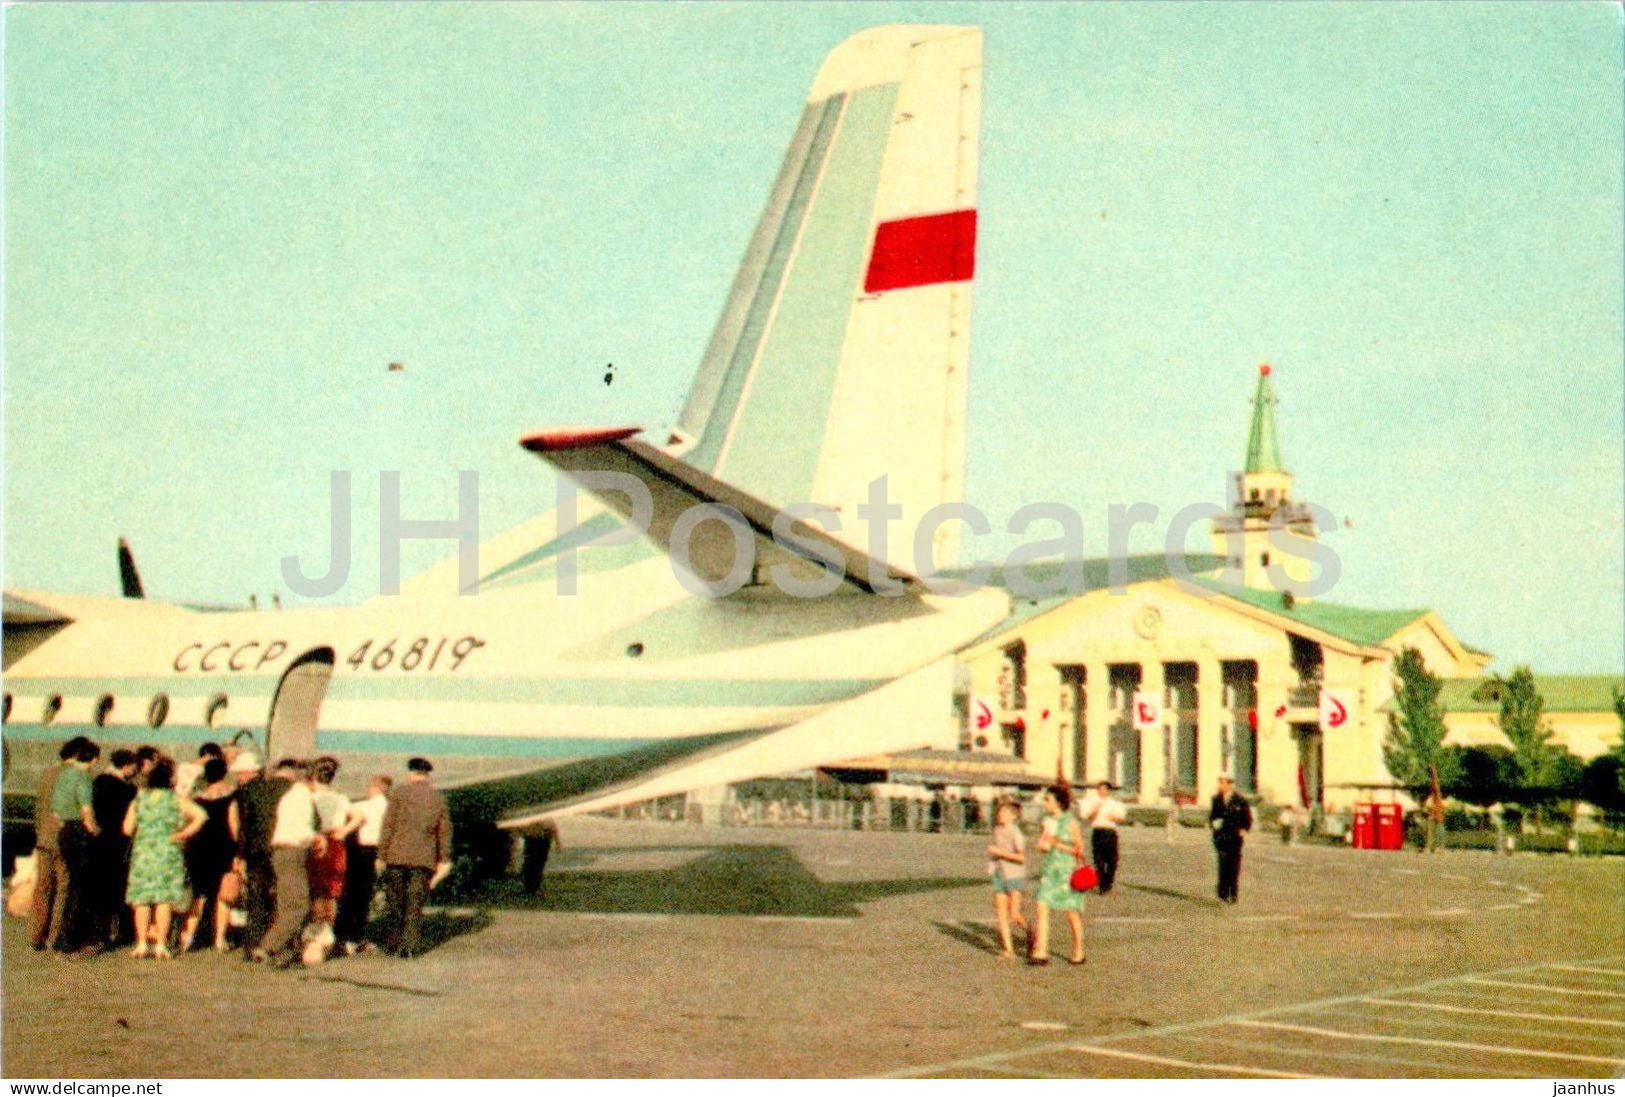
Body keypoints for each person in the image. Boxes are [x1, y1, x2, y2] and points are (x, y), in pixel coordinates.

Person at [123, 758, 206, 958]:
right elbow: (201, 816)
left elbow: (126, 829)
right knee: (164, 900)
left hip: (143, 853)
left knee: (142, 900)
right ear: (171, 779)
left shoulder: (140, 799)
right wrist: (183, 833)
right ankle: (161, 944)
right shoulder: (177, 800)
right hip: (169, 852)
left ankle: (141, 943)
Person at [376, 757, 452, 959]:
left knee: (395, 902)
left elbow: (388, 826)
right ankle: (408, 947)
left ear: (411, 773)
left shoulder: (399, 793)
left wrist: (381, 854)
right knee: (414, 903)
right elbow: (444, 832)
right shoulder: (438, 798)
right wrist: (444, 858)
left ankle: (392, 942)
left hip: (397, 855)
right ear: (427, 775)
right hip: (423, 858)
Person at [254, 759, 322, 967]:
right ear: (313, 780)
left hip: (281, 852)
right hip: (293, 852)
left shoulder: (289, 797)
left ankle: (280, 948)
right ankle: (269, 947)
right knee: (298, 906)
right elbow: (301, 828)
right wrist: (318, 838)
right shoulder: (303, 798)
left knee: (286, 904)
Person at [29, 737, 88, 951]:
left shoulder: (47, 775)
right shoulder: (76, 777)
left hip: (44, 838)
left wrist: (39, 835)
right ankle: (55, 937)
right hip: (64, 839)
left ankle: (37, 935)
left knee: (43, 887)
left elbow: (38, 809)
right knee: (63, 888)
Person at [179, 757, 239, 952]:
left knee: (199, 894)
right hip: (223, 848)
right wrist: (239, 851)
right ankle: (220, 938)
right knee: (223, 895)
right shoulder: (231, 797)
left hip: (199, 848)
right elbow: (234, 827)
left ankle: (187, 937)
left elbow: (189, 823)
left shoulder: (197, 798)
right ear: (224, 773)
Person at [52, 738, 104, 955]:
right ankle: (71, 939)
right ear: (91, 758)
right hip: (80, 833)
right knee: (82, 888)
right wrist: (94, 830)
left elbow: (54, 813)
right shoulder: (83, 778)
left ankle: (62, 937)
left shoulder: (63, 775)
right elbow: (86, 810)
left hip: (64, 831)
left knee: (72, 883)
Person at [232, 752, 286, 955]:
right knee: (274, 895)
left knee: (257, 896)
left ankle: (253, 942)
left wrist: (240, 855)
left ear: (248, 772)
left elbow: (244, 827)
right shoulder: (274, 789)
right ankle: (272, 940)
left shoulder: (245, 792)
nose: (237, 777)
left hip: (255, 851)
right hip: (275, 848)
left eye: (239, 773)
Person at [1029, 784, 1086, 966]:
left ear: (1058, 802)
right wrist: (1043, 843)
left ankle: (1078, 950)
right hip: (1050, 869)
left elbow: (1079, 849)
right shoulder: (1046, 821)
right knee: (1041, 905)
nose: (1044, 803)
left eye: (1048, 799)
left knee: (1071, 912)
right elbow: (1043, 846)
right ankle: (1041, 950)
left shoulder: (1070, 822)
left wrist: (1056, 843)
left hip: (1067, 871)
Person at [335, 774, 391, 955]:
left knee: (349, 894)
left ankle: (343, 935)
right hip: (376, 853)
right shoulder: (390, 808)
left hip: (358, 851)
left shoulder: (364, 805)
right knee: (364, 897)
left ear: (375, 787)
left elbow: (350, 815)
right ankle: (356, 936)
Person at [90, 749, 140, 947]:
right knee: (114, 888)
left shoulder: (98, 781)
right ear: (126, 765)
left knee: (100, 887)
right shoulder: (124, 789)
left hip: (99, 840)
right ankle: (111, 932)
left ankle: (98, 931)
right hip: (117, 842)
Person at [303, 756, 351, 962]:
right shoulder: (341, 798)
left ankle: (313, 934)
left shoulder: (310, 798)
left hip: (316, 842)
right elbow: (358, 816)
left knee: (315, 891)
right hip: (336, 844)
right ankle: (326, 933)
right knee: (332, 891)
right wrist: (344, 831)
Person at [986, 798, 1029, 959]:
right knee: (1000, 913)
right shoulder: (997, 830)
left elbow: (1021, 858)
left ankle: (1032, 933)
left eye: (1004, 812)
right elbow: (994, 851)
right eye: (999, 811)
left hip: (1014, 875)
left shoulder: (1016, 832)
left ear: (1013, 816)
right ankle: (1008, 950)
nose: (1000, 814)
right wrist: (991, 866)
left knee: (1014, 914)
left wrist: (999, 853)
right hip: (999, 874)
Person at [1210, 774, 1253, 904]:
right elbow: (1212, 816)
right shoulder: (1216, 799)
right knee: (1223, 864)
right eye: (1219, 783)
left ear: (1229, 785)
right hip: (1221, 837)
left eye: (1222, 783)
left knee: (1234, 866)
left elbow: (1247, 818)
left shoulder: (1240, 800)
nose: (1220, 786)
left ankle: (1233, 893)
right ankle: (1223, 891)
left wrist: (1244, 829)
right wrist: (1213, 824)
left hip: (1235, 838)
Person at [1078, 780, 1126, 895]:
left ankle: (1108, 882)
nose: (1102, 791)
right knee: (1098, 860)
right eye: (1100, 789)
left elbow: (1121, 818)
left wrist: (1112, 817)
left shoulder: (1113, 803)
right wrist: (1095, 810)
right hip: (1098, 830)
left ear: (1108, 791)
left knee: (1112, 860)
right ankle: (1102, 884)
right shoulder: (1092, 802)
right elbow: (1087, 816)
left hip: (1110, 831)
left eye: (1104, 789)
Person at [521, 818, 561, 896]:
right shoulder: (535, 818)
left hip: (542, 840)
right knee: (532, 864)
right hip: (534, 839)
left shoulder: (547, 819)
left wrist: (557, 842)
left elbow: (553, 828)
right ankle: (531, 887)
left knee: (538, 864)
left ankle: (533, 887)